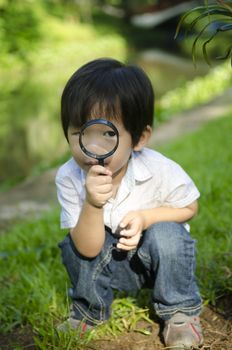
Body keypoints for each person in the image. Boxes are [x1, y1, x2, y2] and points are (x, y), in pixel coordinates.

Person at [55, 58, 204, 349]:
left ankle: (180, 311)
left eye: (108, 134)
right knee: (72, 244)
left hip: (155, 262)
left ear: (140, 138)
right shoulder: (69, 177)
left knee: (168, 233)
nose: (93, 149)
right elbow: (87, 249)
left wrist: (147, 218)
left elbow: (190, 207)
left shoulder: (161, 169)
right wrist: (92, 205)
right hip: (107, 265)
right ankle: (89, 310)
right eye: (80, 133)